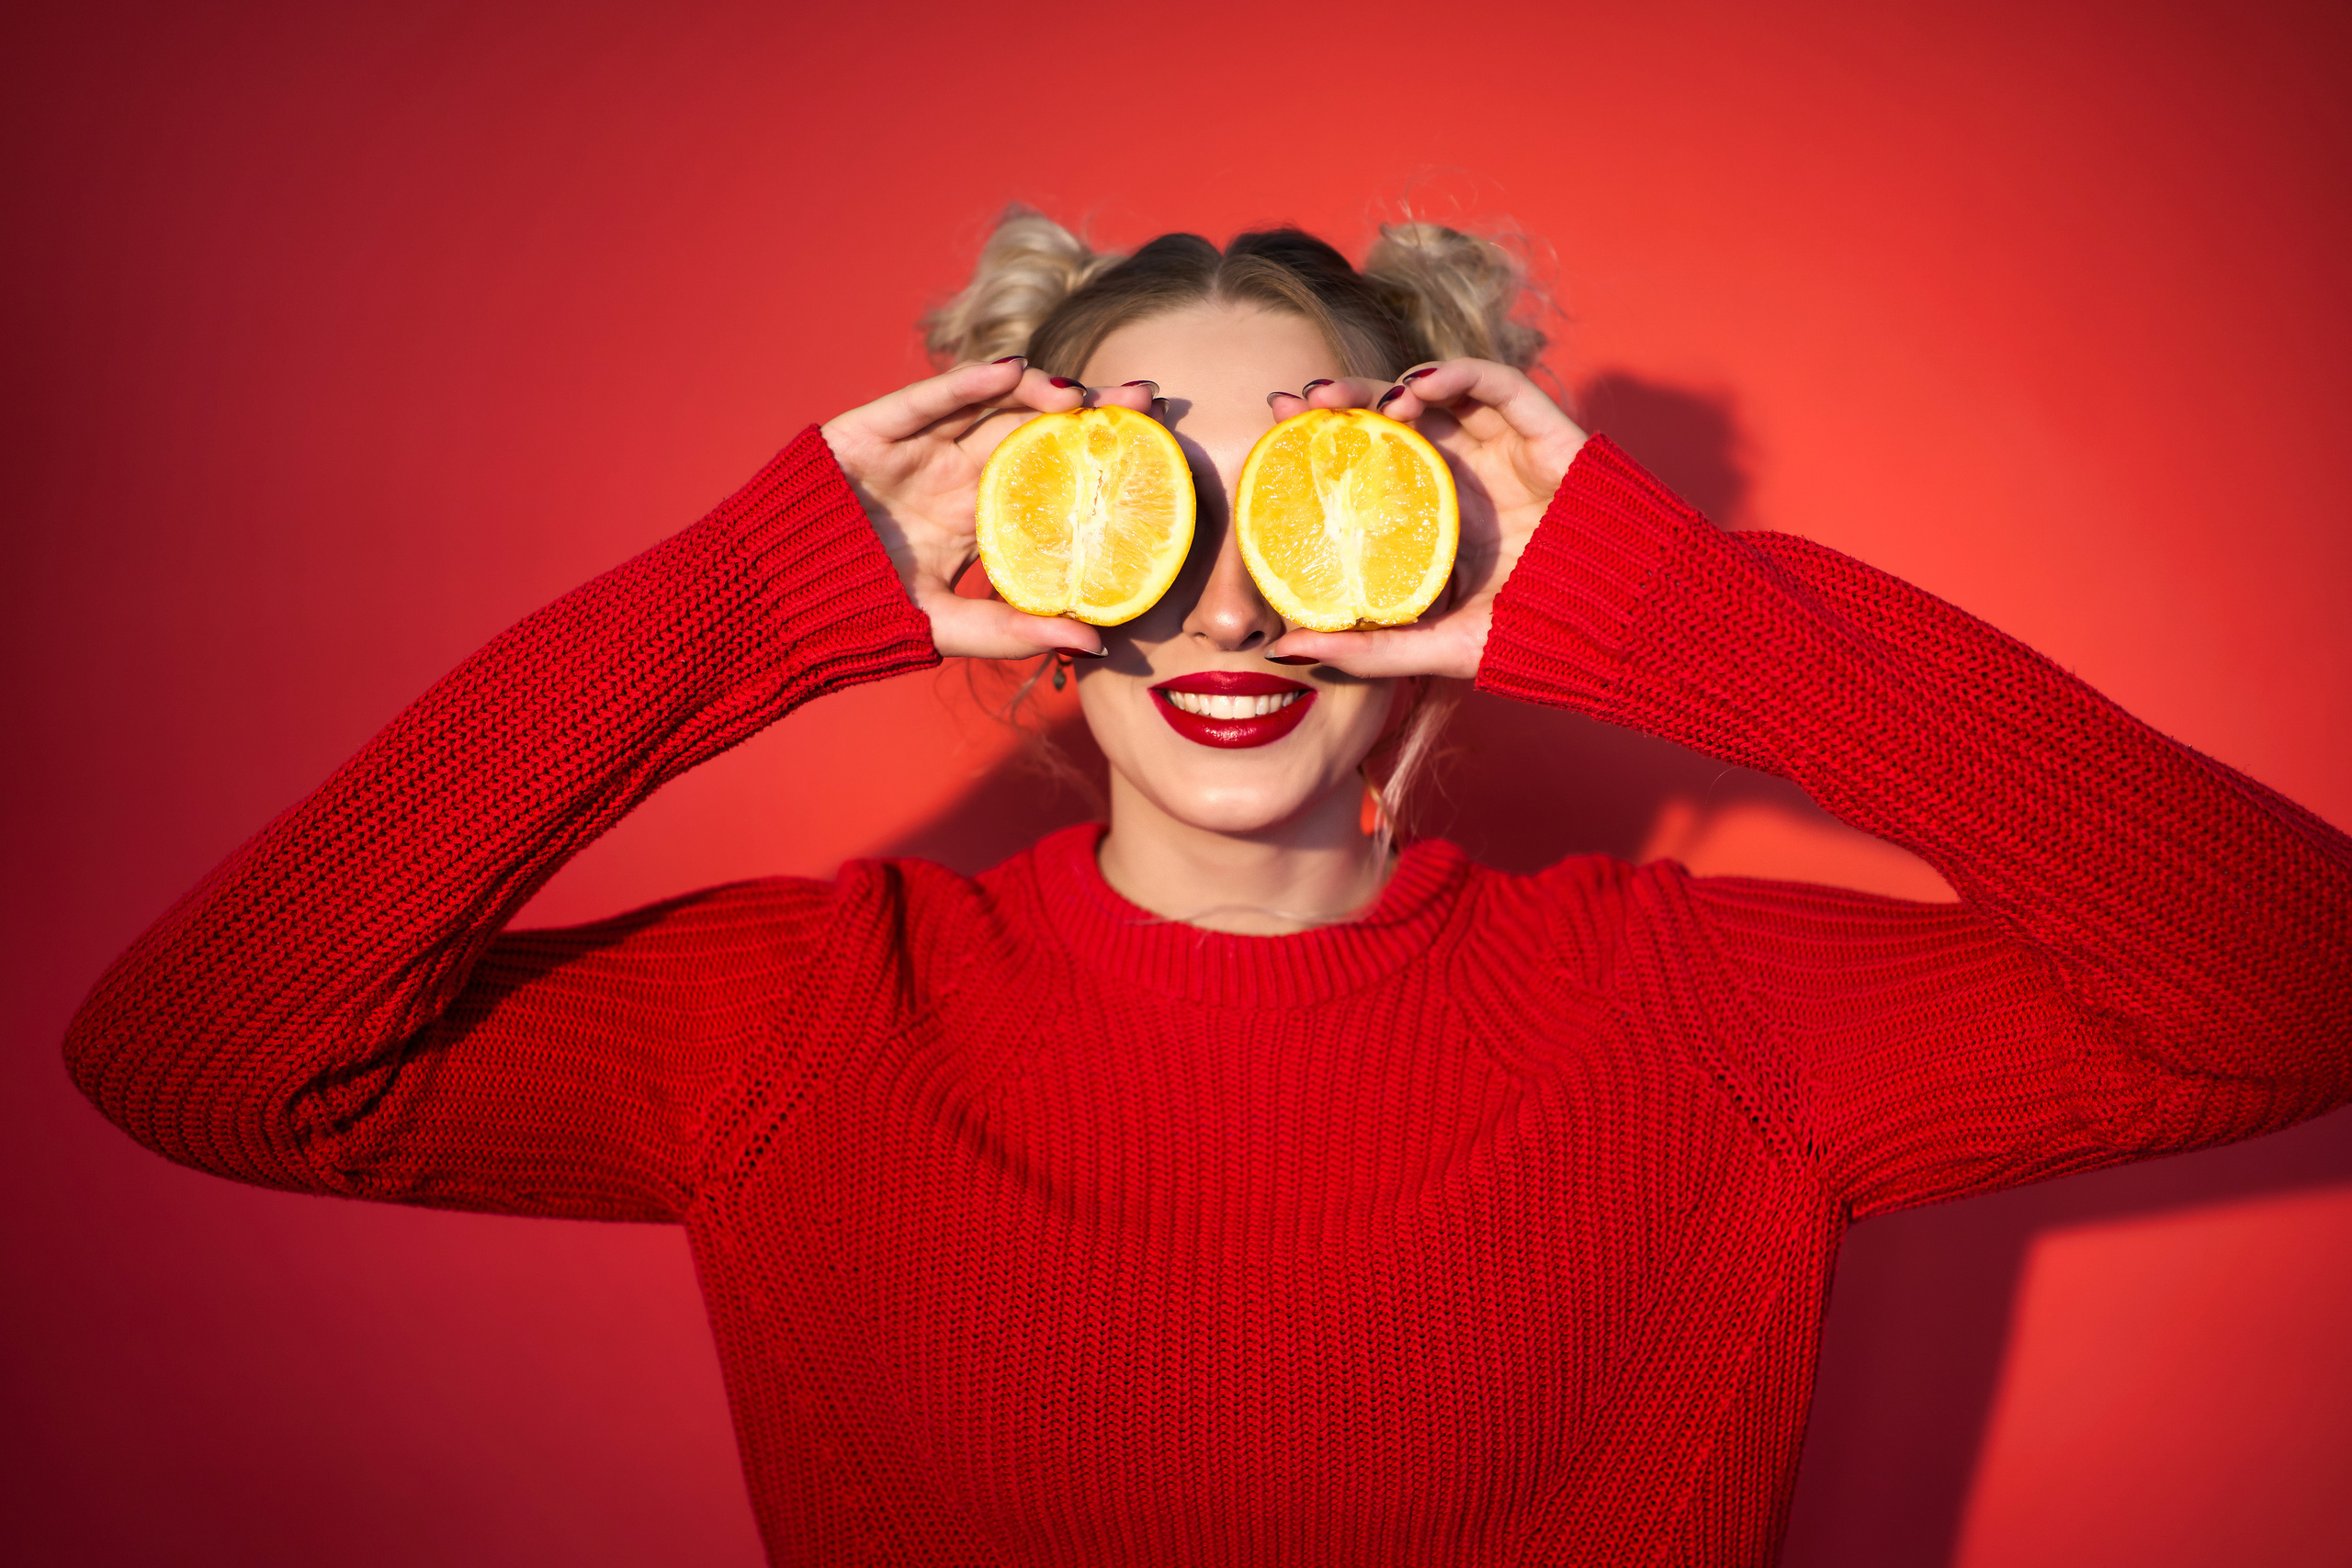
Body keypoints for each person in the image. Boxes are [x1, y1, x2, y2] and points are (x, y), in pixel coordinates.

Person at [64, 207, 2352, 1565]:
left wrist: (1676, 613)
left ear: (1443, 540)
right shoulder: (807, 1014)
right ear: (1025, 551)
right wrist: (754, 604)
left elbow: (2294, 988)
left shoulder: (1708, 1012)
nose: (1237, 610)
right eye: (1135, 501)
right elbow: (200, 1055)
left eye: (1316, 505)